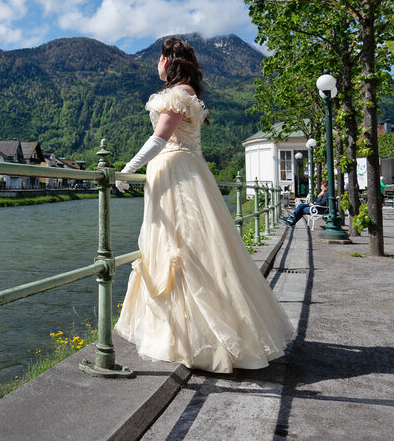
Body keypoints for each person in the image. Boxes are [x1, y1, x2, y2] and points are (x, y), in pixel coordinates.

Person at [113, 37, 294, 373]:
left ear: (168, 60)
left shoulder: (178, 95)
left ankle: (192, 338)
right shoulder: (188, 93)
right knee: (193, 249)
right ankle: (191, 332)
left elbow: (159, 139)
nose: (156, 64)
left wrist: (125, 170)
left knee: (181, 247)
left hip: (176, 175)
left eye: (159, 58)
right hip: (182, 172)